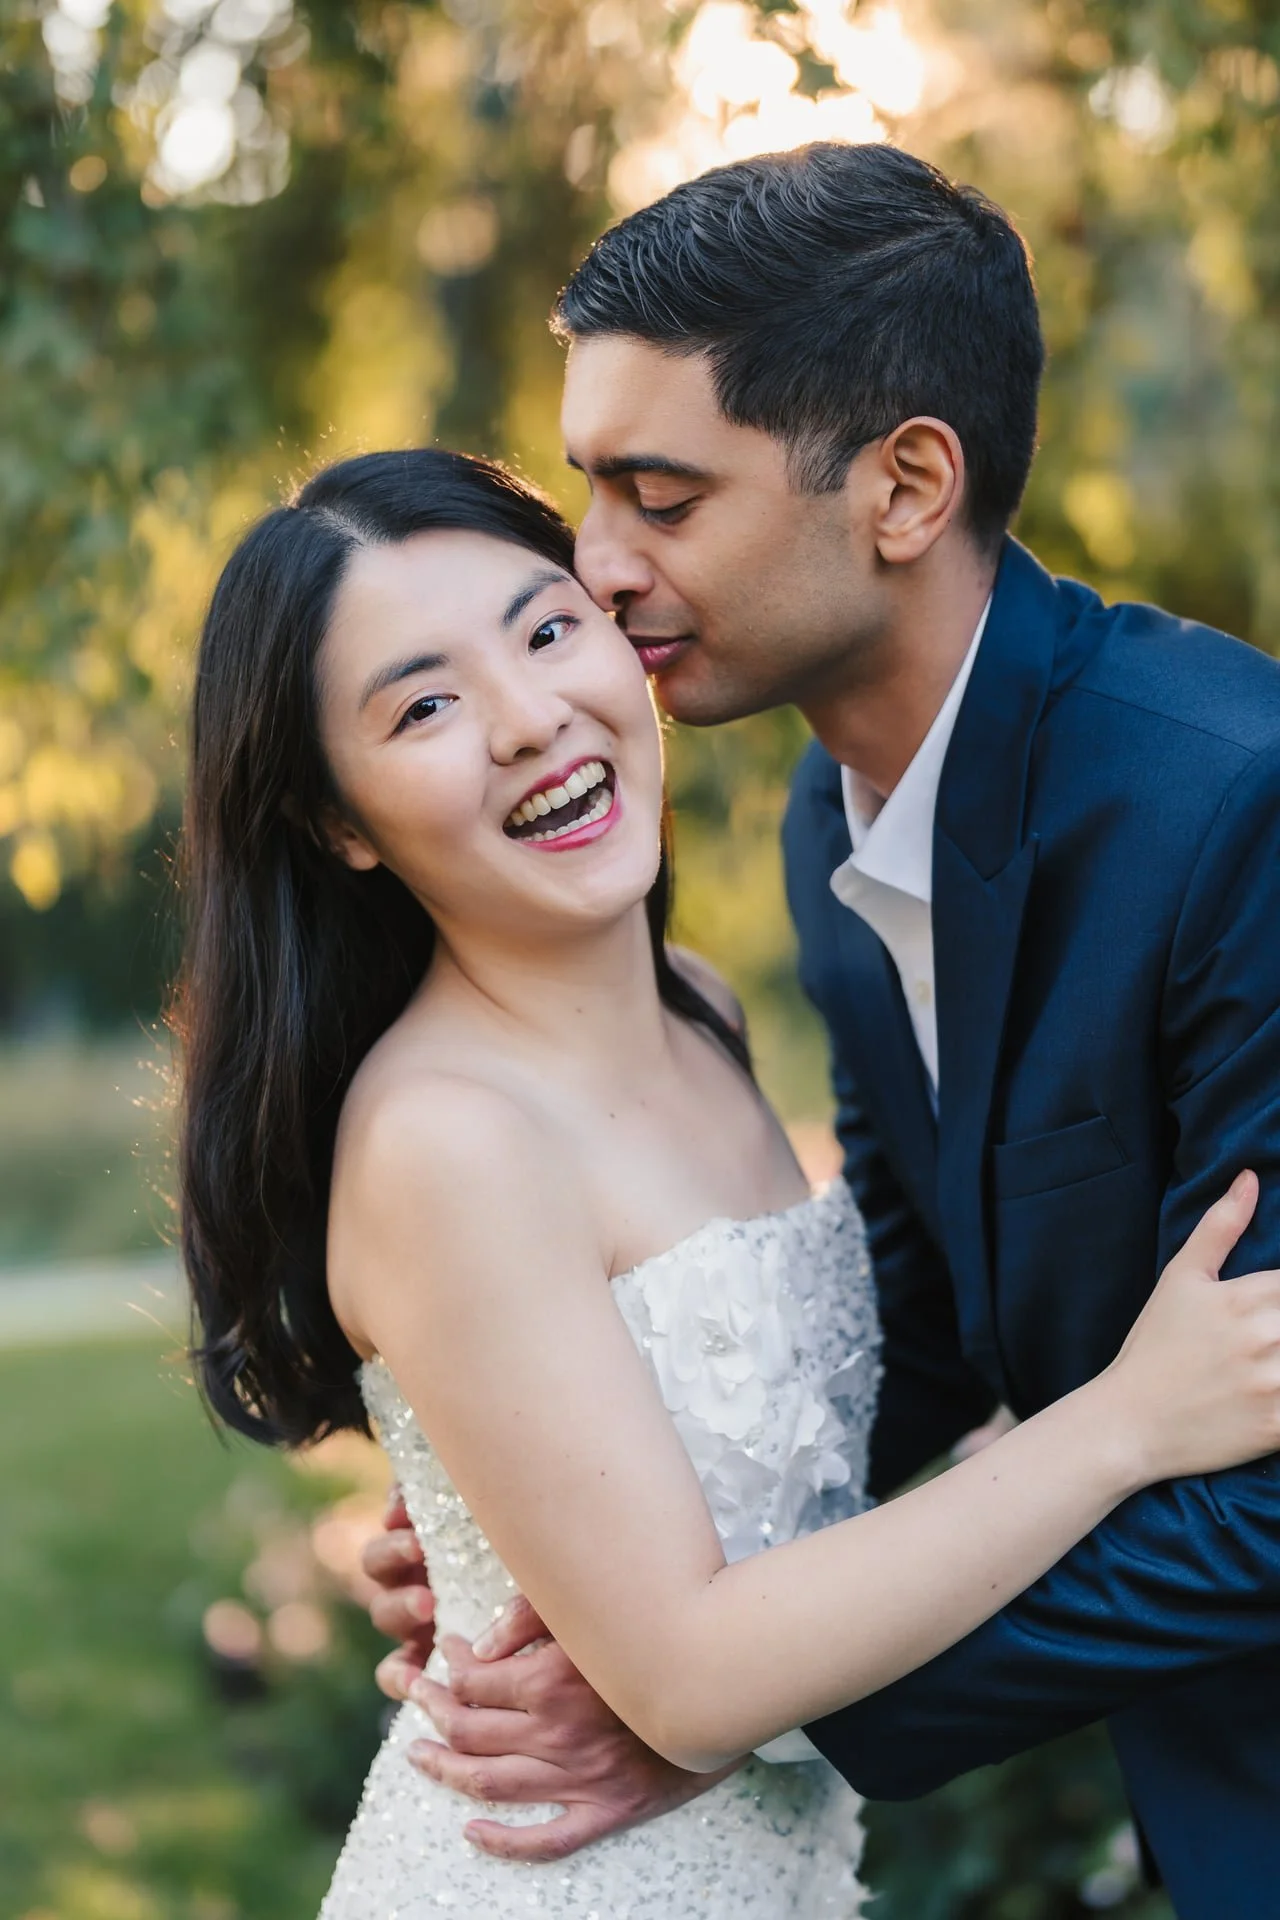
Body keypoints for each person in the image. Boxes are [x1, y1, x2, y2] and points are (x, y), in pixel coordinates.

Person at [175, 444, 1280, 1919]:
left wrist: (519, 1527)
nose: (526, 720)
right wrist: (1123, 1425)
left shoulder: (706, 1006)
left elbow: (809, 1412)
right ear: (339, 822)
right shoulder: (448, 1140)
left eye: (547, 628)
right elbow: (690, 1681)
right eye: (425, 705)